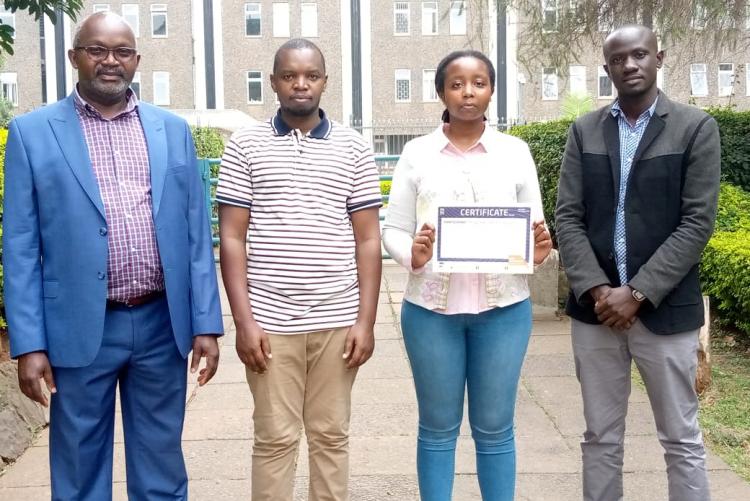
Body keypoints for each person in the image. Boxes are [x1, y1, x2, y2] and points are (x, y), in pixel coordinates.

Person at [2, 12, 223, 500]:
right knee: (79, 471)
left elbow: (193, 237)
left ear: (137, 61)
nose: (110, 61)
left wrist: (206, 323)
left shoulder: (172, 130)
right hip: (77, 329)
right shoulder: (33, 133)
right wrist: (28, 344)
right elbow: (20, 247)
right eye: (97, 49)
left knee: (162, 467)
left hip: (161, 326)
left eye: (122, 51)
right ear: (73, 56)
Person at [555, 25, 720, 501]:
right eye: (619, 58)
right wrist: (597, 289)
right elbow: (568, 216)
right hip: (596, 312)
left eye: (640, 55)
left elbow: (697, 222)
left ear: (659, 58)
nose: (629, 65)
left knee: (682, 440)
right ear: (606, 67)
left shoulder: (695, 127)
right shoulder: (584, 130)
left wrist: (639, 292)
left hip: (665, 314)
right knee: (600, 439)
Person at [382, 50, 552, 501]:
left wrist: (539, 249)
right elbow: (394, 228)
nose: (468, 92)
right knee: (437, 428)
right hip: (431, 312)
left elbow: (533, 227)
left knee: (496, 428)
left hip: (503, 311)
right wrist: (411, 254)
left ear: (491, 90)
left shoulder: (515, 153)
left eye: (478, 82)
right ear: (441, 92)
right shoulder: (418, 154)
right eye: (456, 84)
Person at [217, 39, 382, 501]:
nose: (300, 84)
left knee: (331, 437)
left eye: (311, 75)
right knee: (274, 440)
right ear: (274, 83)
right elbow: (232, 236)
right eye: (289, 76)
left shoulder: (353, 148)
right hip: (270, 323)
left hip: (337, 320)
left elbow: (369, 239)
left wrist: (365, 322)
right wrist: (244, 322)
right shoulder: (245, 146)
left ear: (325, 82)